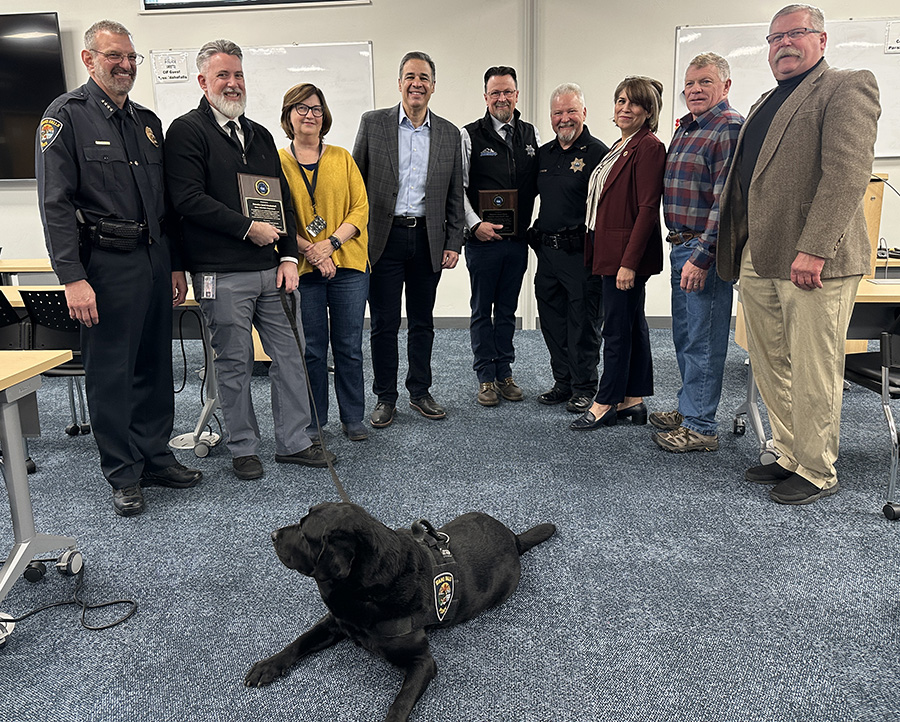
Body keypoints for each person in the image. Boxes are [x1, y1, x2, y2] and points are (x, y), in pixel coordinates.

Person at [35, 19, 201, 517]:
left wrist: (174, 264)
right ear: (89, 60)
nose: (125, 65)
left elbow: (164, 204)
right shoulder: (64, 117)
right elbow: (55, 204)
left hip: (153, 261)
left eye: (131, 57)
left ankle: (154, 456)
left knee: (155, 363)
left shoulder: (147, 123)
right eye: (114, 56)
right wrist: (72, 277)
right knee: (111, 373)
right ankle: (122, 472)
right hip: (103, 266)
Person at [718, 4, 880, 504]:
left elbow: (847, 175)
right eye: (774, 38)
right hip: (761, 254)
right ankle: (788, 452)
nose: (783, 44)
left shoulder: (846, 86)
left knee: (814, 365)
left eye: (796, 34)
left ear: (823, 40)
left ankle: (817, 468)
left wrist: (814, 249)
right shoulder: (767, 98)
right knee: (769, 362)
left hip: (812, 259)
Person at [165, 39, 335, 481]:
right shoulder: (186, 132)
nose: (233, 83)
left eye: (238, 75)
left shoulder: (259, 134)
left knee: (292, 356)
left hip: (270, 272)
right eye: (223, 75)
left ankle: (295, 441)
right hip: (220, 275)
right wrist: (246, 228)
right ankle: (243, 448)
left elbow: (283, 201)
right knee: (234, 363)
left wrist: (287, 257)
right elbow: (186, 199)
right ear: (203, 82)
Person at [352, 51, 464, 428]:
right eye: (410, 76)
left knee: (422, 321)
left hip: (428, 241)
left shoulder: (449, 134)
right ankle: (385, 397)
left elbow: (453, 194)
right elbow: (355, 186)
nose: (417, 83)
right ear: (399, 82)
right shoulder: (373, 124)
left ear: (433, 85)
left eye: (424, 77)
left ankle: (420, 391)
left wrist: (453, 241)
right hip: (383, 239)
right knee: (384, 322)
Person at [651, 53, 744, 453]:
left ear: (725, 85)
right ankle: (689, 407)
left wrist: (703, 256)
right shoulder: (688, 128)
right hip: (679, 243)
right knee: (686, 336)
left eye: (704, 82)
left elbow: (725, 201)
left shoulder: (727, 127)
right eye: (689, 84)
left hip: (700, 249)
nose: (695, 90)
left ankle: (701, 425)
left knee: (704, 339)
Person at [571, 76, 665, 432]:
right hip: (609, 250)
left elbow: (646, 209)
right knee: (631, 324)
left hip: (625, 256)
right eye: (620, 101)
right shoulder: (622, 144)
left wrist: (628, 262)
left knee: (615, 329)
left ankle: (605, 400)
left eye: (634, 103)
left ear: (648, 111)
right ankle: (634, 399)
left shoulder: (649, 148)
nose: (625, 108)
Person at [278, 84, 370, 442]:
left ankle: (353, 417)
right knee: (312, 349)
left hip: (347, 264)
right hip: (303, 268)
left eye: (316, 109)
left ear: (324, 115)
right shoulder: (277, 162)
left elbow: (360, 208)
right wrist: (310, 252)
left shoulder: (342, 157)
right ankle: (315, 421)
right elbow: (275, 218)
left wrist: (330, 245)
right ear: (288, 115)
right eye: (301, 108)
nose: (309, 115)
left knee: (348, 345)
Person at [460, 66, 539, 407]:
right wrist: (475, 224)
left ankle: (504, 371)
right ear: (485, 97)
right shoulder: (469, 135)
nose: (502, 98)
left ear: (517, 94)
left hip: (516, 242)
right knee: (482, 309)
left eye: (507, 92)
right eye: (495, 93)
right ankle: (485, 378)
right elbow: (458, 188)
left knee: (507, 310)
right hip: (481, 242)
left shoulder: (529, 134)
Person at [533, 83, 609, 414]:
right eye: (558, 113)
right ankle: (562, 382)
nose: (565, 119)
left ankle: (584, 386)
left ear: (584, 113)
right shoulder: (544, 154)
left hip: (581, 255)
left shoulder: (598, 153)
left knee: (583, 323)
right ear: (551, 117)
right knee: (552, 322)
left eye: (571, 112)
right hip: (547, 255)